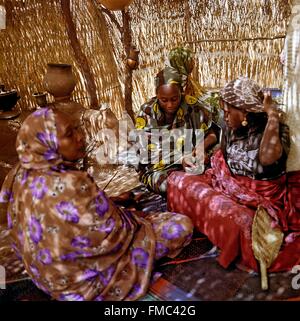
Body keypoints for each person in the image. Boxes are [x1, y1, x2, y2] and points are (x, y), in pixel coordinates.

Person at [0, 108, 193, 301]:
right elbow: (115, 233)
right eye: (69, 134)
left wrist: (111, 202)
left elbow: (64, 217)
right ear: (47, 143)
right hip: (83, 286)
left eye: (77, 129)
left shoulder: (17, 174)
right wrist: (133, 217)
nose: (80, 137)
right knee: (179, 226)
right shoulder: (72, 183)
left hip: (44, 276)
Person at [168, 76, 300, 272]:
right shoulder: (230, 128)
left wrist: (272, 115)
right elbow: (224, 158)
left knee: (242, 224)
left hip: (259, 199)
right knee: (178, 180)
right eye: (223, 112)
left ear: (245, 112)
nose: (225, 117)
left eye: (228, 112)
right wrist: (200, 156)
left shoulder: (274, 131)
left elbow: (266, 159)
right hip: (229, 185)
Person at [134, 49, 219, 194]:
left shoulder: (193, 107)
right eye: (164, 100)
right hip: (160, 168)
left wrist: (200, 147)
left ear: (182, 92)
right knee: (175, 187)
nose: (170, 105)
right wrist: (180, 159)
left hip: (190, 161)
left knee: (216, 166)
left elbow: (212, 135)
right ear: (156, 95)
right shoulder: (147, 113)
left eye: (175, 99)